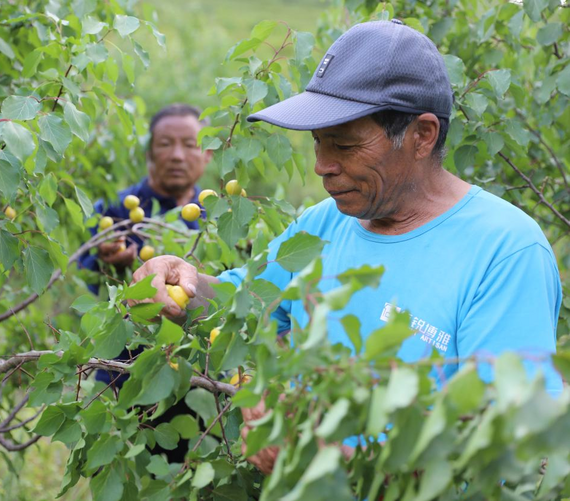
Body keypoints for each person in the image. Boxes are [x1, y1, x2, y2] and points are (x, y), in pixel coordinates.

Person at [131, 20, 564, 473]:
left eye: (345, 145)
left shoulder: (506, 252)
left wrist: (324, 457)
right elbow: (245, 303)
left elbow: (510, 444)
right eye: (318, 143)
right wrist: (183, 282)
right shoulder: (327, 222)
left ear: (422, 135)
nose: (322, 166)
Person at [78, 103, 212, 294]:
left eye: (189, 145)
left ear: (208, 153)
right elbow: (82, 281)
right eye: (165, 144)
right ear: (149, 153)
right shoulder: (113, 210)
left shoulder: (218, 215)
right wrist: (104, 264)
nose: (177, 156)